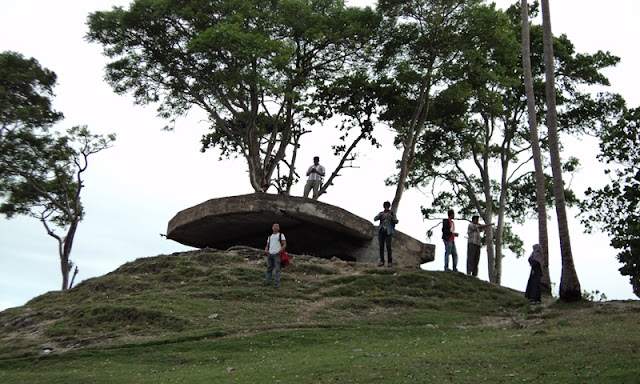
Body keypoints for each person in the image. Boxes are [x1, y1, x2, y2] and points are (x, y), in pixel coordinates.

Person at [374, 201, 398, 267]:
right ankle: (382, 261)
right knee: (381, 247)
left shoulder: (392, 213)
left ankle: (390, 262)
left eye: (387, 207)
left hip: (389, 232)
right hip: (381, 231)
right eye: (385, 207)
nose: (386, 208)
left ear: (389, 207)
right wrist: (380, 216)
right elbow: (375, 219)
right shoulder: (381, 213)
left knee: (388, 247)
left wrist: (391, 217)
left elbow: (396, 221)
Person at [263, 223, 287, 289]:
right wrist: (266, 250)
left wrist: (279, 251)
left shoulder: (281, 235)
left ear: (279, 228)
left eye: (277, 226)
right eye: (274, 226)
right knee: (269, 269)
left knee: (277, 270)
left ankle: (276, 284)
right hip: (270, 254)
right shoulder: (270, 236)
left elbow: (284, 244)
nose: (275, 227)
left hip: (277, 255)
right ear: (272, 228)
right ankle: (267, 282)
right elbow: (267, 245)